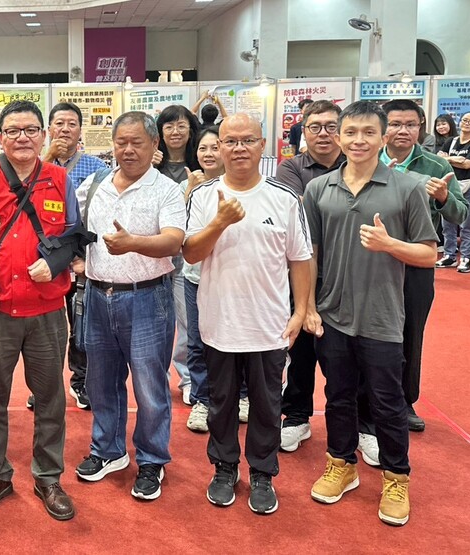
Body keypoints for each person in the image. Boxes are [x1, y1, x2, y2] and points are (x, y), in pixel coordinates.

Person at [303, 100, 438, 527]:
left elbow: (429, 254)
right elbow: (309, 254)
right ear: (339, 137)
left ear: (383, 138)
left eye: (368, 133)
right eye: (350, 132)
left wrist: (390, 245)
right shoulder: (318, 189)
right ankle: (341, 464)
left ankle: (397, 478)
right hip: (333, 314)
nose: (358, 140)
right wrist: (308, 306)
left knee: (387, 401)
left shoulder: (407, 188)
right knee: (338, 396)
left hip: (383, 317)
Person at [184, 113, 312, 514]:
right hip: (219, 322)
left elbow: (301, 259)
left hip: (268, 324)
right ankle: (224, 468)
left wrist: (301, 311)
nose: (239, 148)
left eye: (248, 140)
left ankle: (262, 472)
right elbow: (191, 253)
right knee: (220, 403)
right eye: (230, 141)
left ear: (262, 145)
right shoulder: (204, 196)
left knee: (267, 404)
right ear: (219, 147)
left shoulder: (284, 197)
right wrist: (220, 223)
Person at [0, 100, 79, 521]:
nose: (22, 137)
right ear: (0, 138)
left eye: (30, 130)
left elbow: (74, 235)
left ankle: (48, 477)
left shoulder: (60, 179)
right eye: (13, 131)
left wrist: (56, 263)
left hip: (47, 310)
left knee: (50, 400)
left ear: (44, 136)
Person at [74, 111, 185, 502]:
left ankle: (152, 459)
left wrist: (133, 243)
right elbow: (75, 230)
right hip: (97, 295)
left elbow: (174, 241)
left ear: (155, 145)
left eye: (137, 142)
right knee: (100, 381)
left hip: (147, 298)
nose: (128, 149)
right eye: (121, 142)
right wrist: (76, 259)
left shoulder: (166, 189)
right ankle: (108, 450)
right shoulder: (94, 184)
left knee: (149, 385)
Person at [376, 99, 467, 436]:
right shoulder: (366, 159)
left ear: (420, 127)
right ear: (383, 127)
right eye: (395, 124)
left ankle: (404, 401)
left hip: (416, 260)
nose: (403, 131)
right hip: (370, 259)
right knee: (365, 334)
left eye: (411, 124)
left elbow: (461, 213)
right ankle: (364, 400)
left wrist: (443, 197)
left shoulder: (435, 165)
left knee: (410, 332)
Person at [273, 100, 346, 453]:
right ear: (304, 130)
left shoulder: (355, 164)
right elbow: (297, 212)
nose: (323, 134)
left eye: (331, 126)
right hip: (300, 272)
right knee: (300, 350)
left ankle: (356, 424)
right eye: (315, 127)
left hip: (346, 271)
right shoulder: (291, 168)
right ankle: (296, 417)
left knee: (346, 355)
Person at [30, 101, 109, 412]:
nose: (65, 129)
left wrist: (85, 258)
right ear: (49, 130)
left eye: (71, 124)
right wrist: (47, 158)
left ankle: (81, 381)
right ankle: (42, 387)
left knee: (81, 326)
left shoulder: (98, 168)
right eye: (59, 123)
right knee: (44, 331)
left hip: (80, 261)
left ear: (80, 130)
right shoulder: (31, 165)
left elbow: (99, 218)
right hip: (42, 259)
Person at [154, 105, 201, 405]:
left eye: (181, 125)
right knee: (156, 322)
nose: (175, 131)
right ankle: (156, 377)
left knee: (186, 321)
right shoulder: (151, 164)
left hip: (186, 256)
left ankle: (187, 378)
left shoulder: (200, 163)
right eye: (169, 126)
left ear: (190, 129)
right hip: (154, 254)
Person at [181, 128, 224, 433]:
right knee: (196, 341)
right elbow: (177, 226)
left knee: (232, 340)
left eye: (214, 147)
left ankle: (241, 395)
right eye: (202, 148)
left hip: (229, 276)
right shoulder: (191, 185)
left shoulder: (238, 184)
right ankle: (202, 399)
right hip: (195, 276)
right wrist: (189, 189)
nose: (208, 154)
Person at [436, 112, 470, 273]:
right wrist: (455, 159)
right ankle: (449, 255)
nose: (467, 123)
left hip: (468, 188)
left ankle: (465, 258)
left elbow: (467, 164)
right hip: (450, 187)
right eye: (465, 120)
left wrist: (449, 159)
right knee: (447, 224)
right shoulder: (451, 141)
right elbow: (439, 160)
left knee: (466, 225)